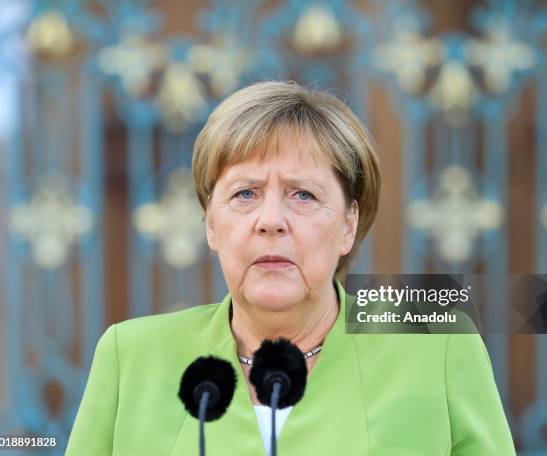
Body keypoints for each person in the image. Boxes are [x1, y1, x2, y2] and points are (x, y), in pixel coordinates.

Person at [66, 80, 516, 455]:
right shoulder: (131, 354)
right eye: (245, 194)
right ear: (211, 226)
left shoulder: (436, 344)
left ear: (348, 224)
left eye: (303, 194)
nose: (271, 221)